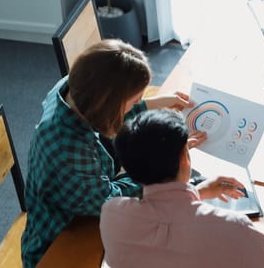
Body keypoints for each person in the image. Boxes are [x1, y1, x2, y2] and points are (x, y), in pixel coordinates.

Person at [21, 39, 234, 267]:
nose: (138, 104)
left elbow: (109, 113)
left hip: (86, 215)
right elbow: (110, 200)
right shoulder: (69, 151)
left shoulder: (74, 88)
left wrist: (152, 105)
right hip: (68, 245)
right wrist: (164, 162)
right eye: (134, 102)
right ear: (109, 106)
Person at [100, 108, 264, 268]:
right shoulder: (232, 228)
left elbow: (166, 224)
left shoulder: (113, 216)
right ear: (185, 156)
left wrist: (197, 192)